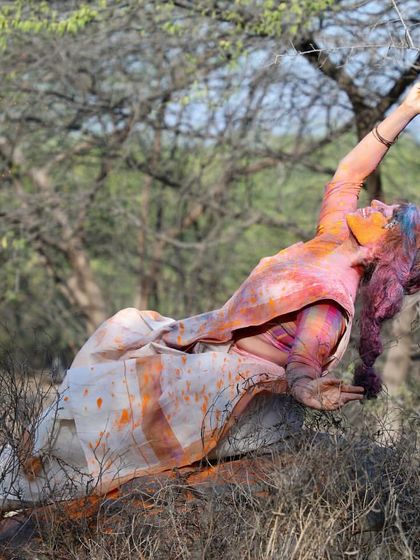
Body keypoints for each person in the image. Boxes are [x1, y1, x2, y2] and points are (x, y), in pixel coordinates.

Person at [1, 84, 419, 509]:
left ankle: (22, 488)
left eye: (388, 217)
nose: (379, 204)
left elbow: (303, 362)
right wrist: (407, 108)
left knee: (106, 418)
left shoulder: (332, 299)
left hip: (237, 396)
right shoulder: (332, 240)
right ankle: (23, 472)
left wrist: (307, 388)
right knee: (123, 337)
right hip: (213, 362)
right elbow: (349, 174)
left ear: (385, 251)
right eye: (386, 205)